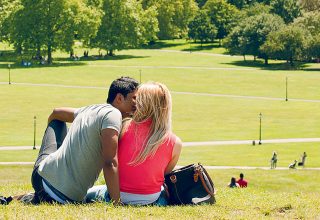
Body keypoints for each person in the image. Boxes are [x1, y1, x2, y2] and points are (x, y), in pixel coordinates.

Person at [23, 77, 139, 204]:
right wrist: (116, 202)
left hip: (42, 181)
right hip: (67, 197)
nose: (137, 103)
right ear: (119, 98)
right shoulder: (113, 114)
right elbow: (110, 162)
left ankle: (37, 193)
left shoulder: (91, 109)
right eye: (134, 98)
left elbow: (56, 113)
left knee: (57, 122)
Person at [85, 82, 182, 206]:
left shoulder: (123, 126)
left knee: (89, 193)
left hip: (118, 195)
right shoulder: (175, 143)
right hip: (151, 199)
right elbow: (162, 175)